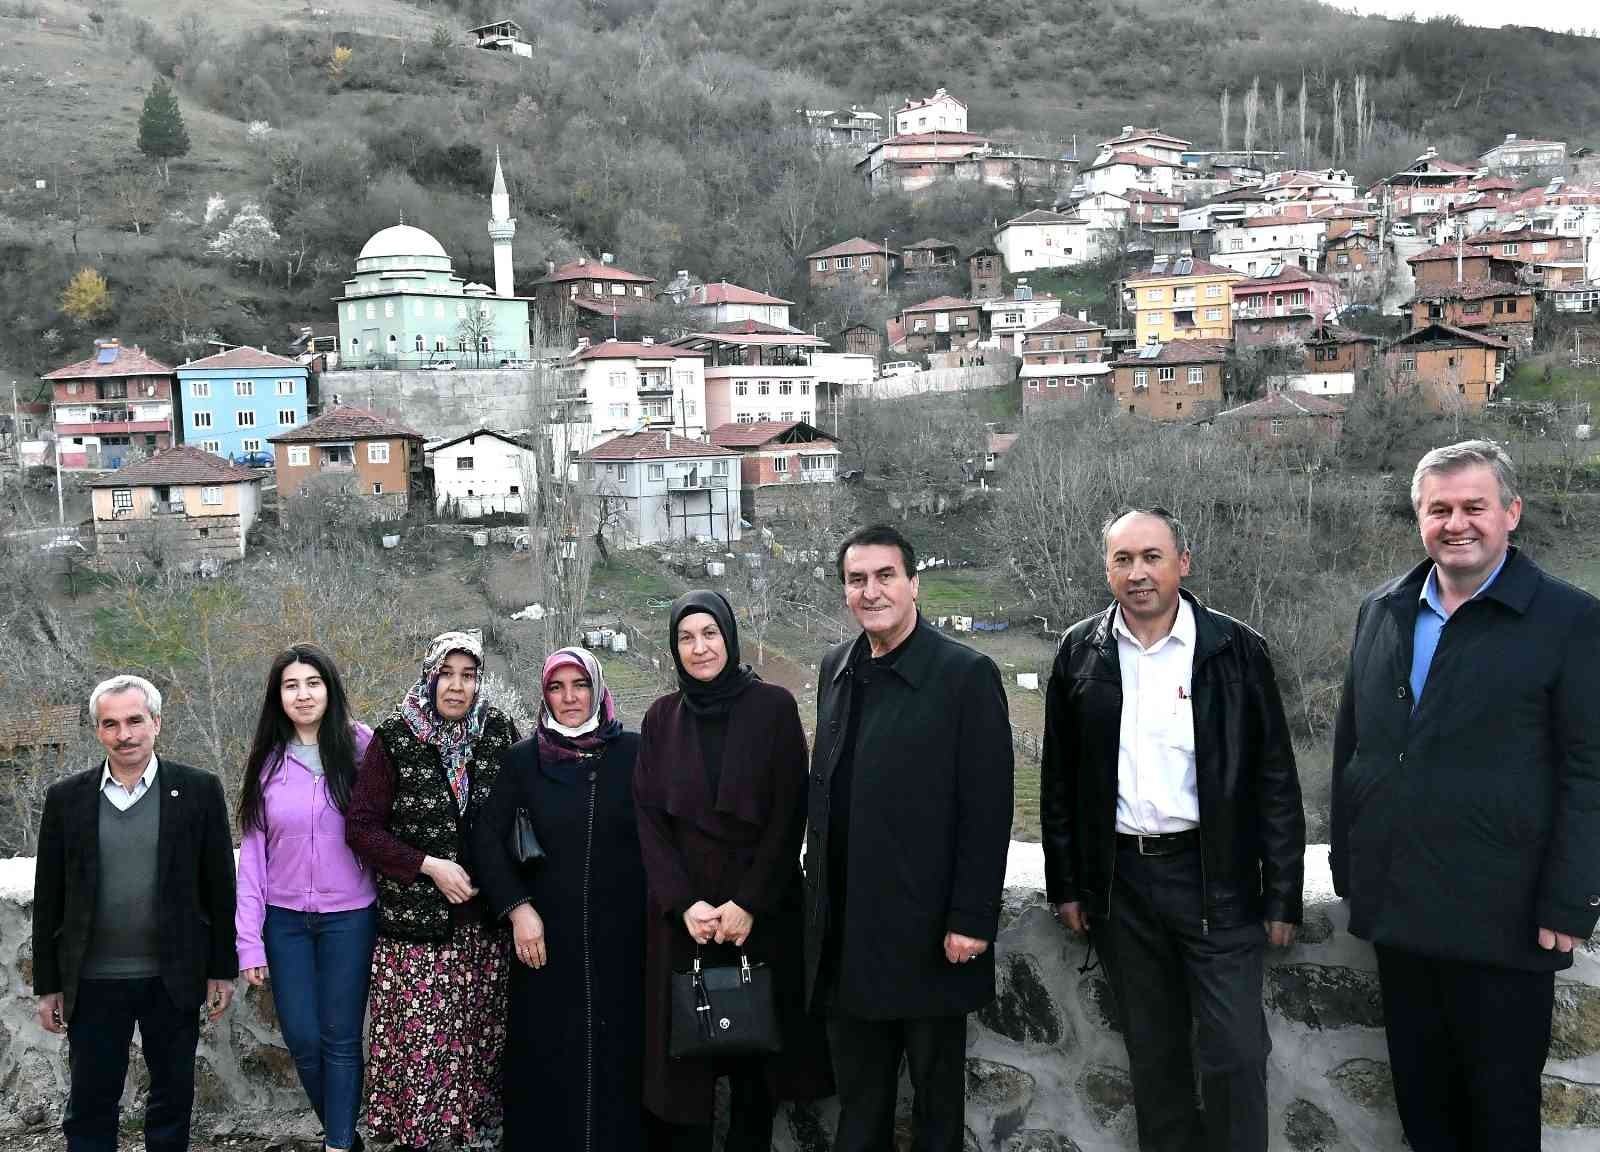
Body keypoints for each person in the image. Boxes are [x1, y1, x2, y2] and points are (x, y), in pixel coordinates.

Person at [1331, 440, 1600, 1151]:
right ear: (1419, 517)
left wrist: (1572, 898)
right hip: (1401, 909)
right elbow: (1352, 745)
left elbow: (1589, 769)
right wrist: (1349, 872)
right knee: (1425, 1112)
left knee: (1500, 1116)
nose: (1457, 523)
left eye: (1474, 506)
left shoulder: (1570, 621)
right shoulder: (1382, 610)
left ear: (1511, 512)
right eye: (1439, 508)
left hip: (1505, 918)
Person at [1039, 508, 1305, 1152]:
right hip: (1122, 885)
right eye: (1123, 560)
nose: (1137, 573)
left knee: (1237, 1055)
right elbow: (1060, 783)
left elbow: (1274, 778)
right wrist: (1067, 886)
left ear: (1183, 563)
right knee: (1155, 1063)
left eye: (1152, 557)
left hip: (1216, 878)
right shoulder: (1082, 651)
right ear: (1107, 568)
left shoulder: (1235, 649)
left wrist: (1283, 894)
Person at [805, 525, 1013, 1152]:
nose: (871, 591)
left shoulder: (966, 676)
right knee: (860, 1108)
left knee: (935, 1106)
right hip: (850, 933)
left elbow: (988, 807)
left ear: (914, 583)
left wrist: (972, 918)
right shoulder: (835, 668)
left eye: (885, 576)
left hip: (930, 935)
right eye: (857, 579)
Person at [635, 592, 833, 1151]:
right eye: (686, 638)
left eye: (710, 634)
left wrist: (749, 902)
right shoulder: (661, 718)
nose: (699, 648)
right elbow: (650, 821)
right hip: (688, 923)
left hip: (759, 916)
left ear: (730, 636)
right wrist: (682, 904)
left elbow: (790, 811)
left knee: (755, 1071)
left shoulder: (773, 707)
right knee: (687, 1072)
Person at [32, 674, 237, 1152]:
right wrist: (48, 985)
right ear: (98, 730)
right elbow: (49, 898)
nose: (124, 734)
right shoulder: (67, 799)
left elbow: (219, 888)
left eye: (134, 720)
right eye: (110, 724)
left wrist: (221, 970)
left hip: (173, 977)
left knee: (171, 1100)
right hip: (95, 979)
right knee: (90, 1103)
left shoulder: (199, 790)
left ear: (156, 723)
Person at [345, 631, 519, 1152]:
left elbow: (519, 817)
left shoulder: (498, 733)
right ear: (430, 675)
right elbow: (362, 827)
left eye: (468, 676)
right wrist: (428, 866)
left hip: (484, 931)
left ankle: (472, 1137)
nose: (457, 686)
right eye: (447, 674)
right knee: (422, 1051)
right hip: (417, 934)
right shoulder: (397, 737)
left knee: (479, 1046)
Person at [472, 646, 649, 1151]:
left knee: (620, 1058)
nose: (569, 698)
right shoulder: (524, 761)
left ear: (598, 689)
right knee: (550, 1057)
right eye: (557, 687)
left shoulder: (635, 753)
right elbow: (486, 838)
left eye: (580, 685)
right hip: (546, 942)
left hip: (622, 940)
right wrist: (517, 907)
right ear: (544, 694)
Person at [235, 645, 376, 1152]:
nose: (303, 694)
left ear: (330, 688)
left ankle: (336, 1143)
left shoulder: (362, 747)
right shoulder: (268, 762)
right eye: (291, 685)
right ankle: (346, 1135)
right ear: (278, 696)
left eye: (313, 682)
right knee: (302, 1038)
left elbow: (387, 827)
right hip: (285, 921)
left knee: (340, 1038)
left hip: (350, 917)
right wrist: (248, 941)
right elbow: (252, 857)